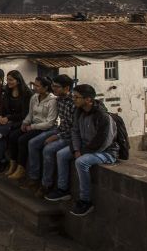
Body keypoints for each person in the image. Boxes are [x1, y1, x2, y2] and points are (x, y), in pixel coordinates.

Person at [44, 84, 117, 216]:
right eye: (73, 97)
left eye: (77, 97)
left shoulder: (103, 116)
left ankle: (85, 200)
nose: (74, 100)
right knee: (61, 154)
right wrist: (77, 148)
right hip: (84, 147)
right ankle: (63, 189)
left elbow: (103, 141)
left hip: (105, 152)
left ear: (88, 100)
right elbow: (75, 132)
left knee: (81, 162)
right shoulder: (79, 111)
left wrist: (82, 152)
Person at [7, 76, 56, 181]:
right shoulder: (34, 97)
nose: (35, 87)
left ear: (46, 87)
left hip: (43, 127)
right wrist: (25, 123)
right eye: (34, 85)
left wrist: (32, 127)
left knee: (23, 140)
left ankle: (22, 168)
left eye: (38, 86)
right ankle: (13, 164)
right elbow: (30, 113)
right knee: (13, 136)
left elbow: (50, 122)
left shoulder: (52, 100)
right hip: (32, 125)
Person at [35, 75, 75, 197]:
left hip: (70, 136)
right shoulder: (58, 100)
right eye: (53, 86)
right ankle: (34, 176)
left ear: (67, 88)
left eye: (57, 87)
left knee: (49, 149)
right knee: (35, 142)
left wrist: (57, 136)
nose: (54, 89)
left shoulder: (73, 103)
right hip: (60, 130)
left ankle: (47, 184)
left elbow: (74, 128)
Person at [0, 70, 31, 172]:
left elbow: (24, 114)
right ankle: (2, 160)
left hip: (20, 121)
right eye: (7, 80)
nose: (8, 82)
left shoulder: (26, 94)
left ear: (18, 81)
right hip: (7, 120)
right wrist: (1, 116)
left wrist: (8, 119)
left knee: (3, 135)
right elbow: (3, 108)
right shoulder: (7, 91)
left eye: (11, 80)